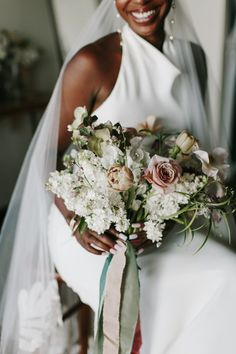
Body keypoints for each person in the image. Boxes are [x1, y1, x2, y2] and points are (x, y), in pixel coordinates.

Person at [0, 1, 236, 353]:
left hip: (161, 227)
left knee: (228, 272)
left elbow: (192, 157)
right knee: (172, 292)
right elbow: (45, 156)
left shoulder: (194, 58)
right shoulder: (92, 63)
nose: (140, 2)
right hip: (92, 233)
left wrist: (172, 213)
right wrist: (77, 220)